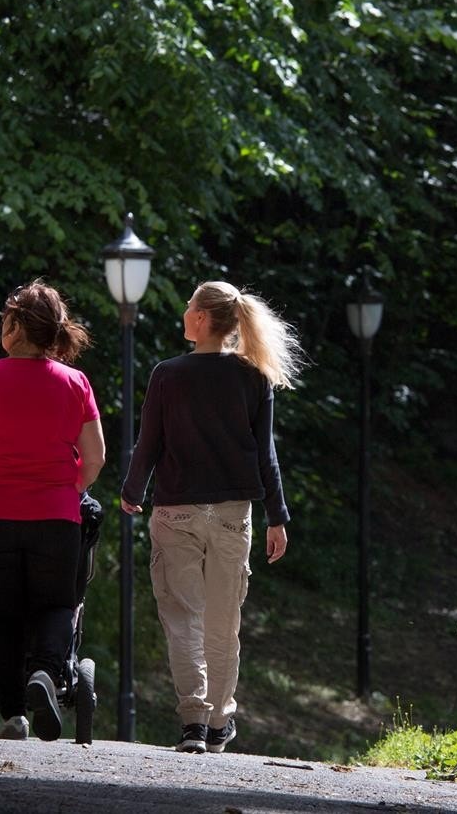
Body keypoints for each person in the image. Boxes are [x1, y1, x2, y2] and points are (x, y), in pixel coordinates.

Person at [120, 280, 305, 754]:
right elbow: (267, 455)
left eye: (189, 306)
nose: (184, 312)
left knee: (184, 619)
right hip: (232, 513)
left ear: (202, 318)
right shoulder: (253, 377)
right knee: (224, 622)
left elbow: (150, 442)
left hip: (176, 509)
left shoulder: (168, 374)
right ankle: (220, 722)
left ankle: (194, 725)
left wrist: (132, 490)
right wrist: (276, 517)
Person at [0, 279, 106, 742]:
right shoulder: (75, 383)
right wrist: (68, 487)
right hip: (54, 517)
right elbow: (94, 458)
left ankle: (14, 716)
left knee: (2, 615)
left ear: (14, 325)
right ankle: (47, 675)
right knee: (56, 602)